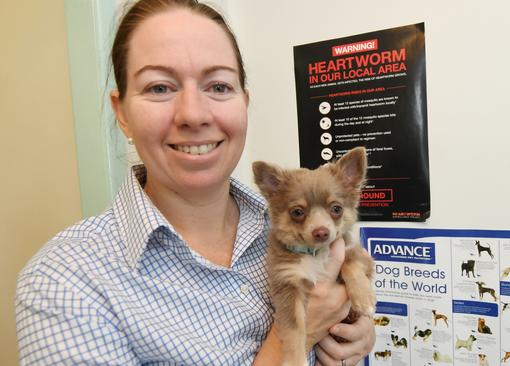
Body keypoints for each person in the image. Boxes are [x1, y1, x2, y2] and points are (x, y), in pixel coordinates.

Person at [15, 0, 375, 364]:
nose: (193, 114)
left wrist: (351, 332)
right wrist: (298, 333)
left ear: (244, 103)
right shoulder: (65, 282)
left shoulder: (288, 223)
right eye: (159, 87)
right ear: (121, 112)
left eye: (218, 86)